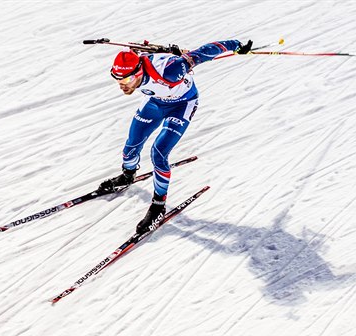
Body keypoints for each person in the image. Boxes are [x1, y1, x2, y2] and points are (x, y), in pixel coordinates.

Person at [98, 38, 253, 234]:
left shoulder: (171, 69)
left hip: (182, 105)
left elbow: (204, 51)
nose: (123, 85)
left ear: (138, 72)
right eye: (118, 79)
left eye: (127, 80)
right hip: (156, 102)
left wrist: (237, 45)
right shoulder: (135, 63)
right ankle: (127, 175)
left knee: (159, 153)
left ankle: (158, 205)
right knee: (132, 144)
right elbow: (136, 50)